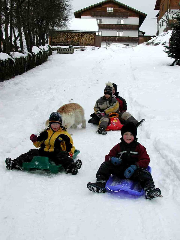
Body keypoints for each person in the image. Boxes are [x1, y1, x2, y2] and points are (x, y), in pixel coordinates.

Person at [87, 122, 161, 199]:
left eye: (131, 134)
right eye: (126, 134)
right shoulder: (118, 147)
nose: (128, 136)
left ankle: (149, 190)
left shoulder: (139, 147)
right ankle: (100, 183)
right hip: (120, 170)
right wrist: (112, 159)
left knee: (145, 173)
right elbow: (108, 157)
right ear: (122, 135)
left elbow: (146, 160)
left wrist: (136, 166)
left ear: (134, 136)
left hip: (134, 172)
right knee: (105, 165)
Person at [5, 112, 82, 175]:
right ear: (50, 124)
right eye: (53, 124)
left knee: (62, 156)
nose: (55, 126)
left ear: (60, 124)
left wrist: (70, 153)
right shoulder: (46, 132)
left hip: (55, 153)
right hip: (44, 152)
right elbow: (38, 144)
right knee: (32, 152)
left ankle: (72, 167)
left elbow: (70, 146)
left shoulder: (64, 134)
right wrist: (35, 140)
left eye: (57, 124)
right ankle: (15, 163)